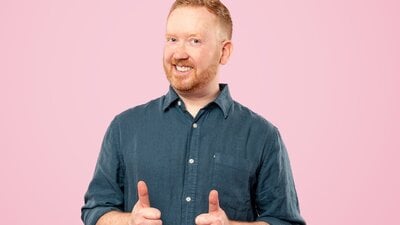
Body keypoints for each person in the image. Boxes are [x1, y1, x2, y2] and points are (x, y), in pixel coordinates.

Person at [81, 1, 306, 225]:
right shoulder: (124, 127)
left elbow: (284, 220)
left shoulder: (262, 136)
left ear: (224, 52)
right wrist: (129, 221)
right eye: (172, 39)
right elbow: (96, 210)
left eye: (194, 41)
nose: (179, 53)